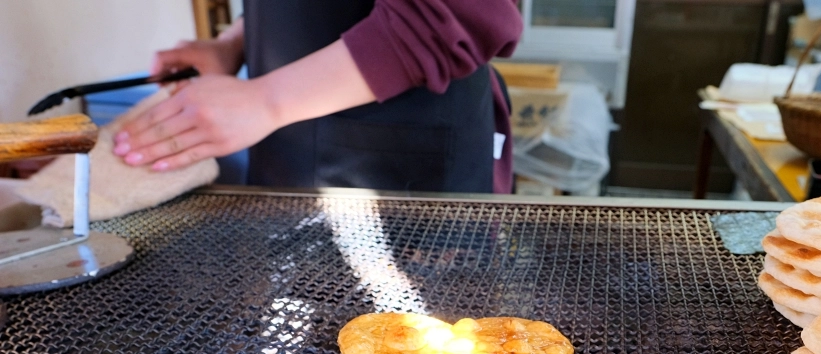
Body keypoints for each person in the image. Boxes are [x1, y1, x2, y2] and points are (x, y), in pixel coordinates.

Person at [113, 0, 522, 194]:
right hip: (288, 165)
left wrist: (266, 99)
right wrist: (234, 43)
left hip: (404, 173)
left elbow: (464, 12)